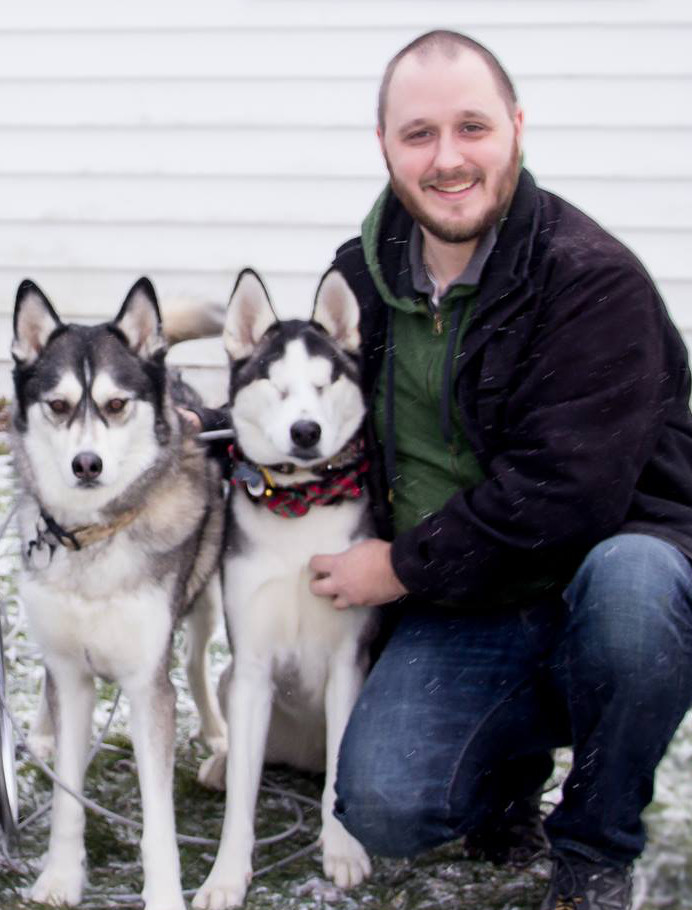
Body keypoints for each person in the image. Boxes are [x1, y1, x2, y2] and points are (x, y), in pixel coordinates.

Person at [307, 30, 692, 910]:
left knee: (633, 593)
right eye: (419, 134)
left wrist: (399, 565)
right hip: (469, 597)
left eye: (472, 128)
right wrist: (198, 431)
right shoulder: (358, 280)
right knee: (384, 809)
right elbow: (315, 412)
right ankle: (507, 772)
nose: (448, 159)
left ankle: (595, 844)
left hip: (603, 570)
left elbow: (569, 494)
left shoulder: (593, 282)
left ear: (516, 128)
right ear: (384, 146)